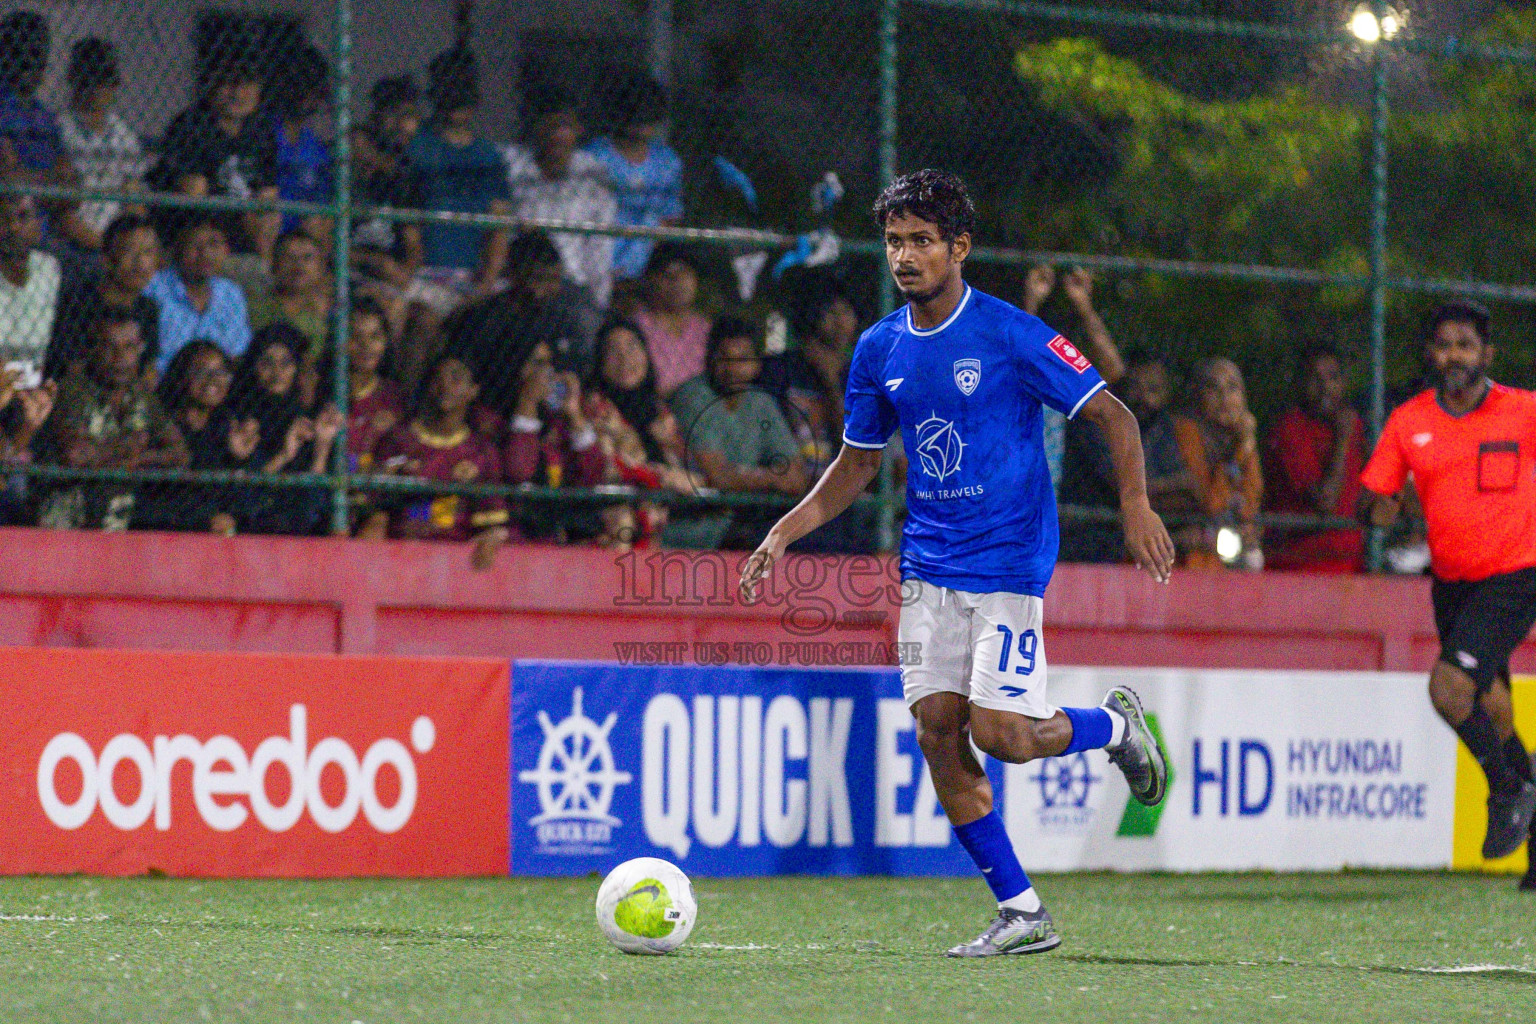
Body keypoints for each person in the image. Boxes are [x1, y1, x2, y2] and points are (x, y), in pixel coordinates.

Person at [738, 169, 1173, 956]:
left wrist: (1135, 505)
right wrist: (785, 530)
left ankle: (1115, 728)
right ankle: (1021, 912)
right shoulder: (879, 349)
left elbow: (1113, 414)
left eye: (922, 241)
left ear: (958, 247)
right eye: (896, 241)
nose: (905, 256)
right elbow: (858, 464)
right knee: (939, 732)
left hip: (1007, 563)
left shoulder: (1011, 334)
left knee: (1003, 734)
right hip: (927, 567)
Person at [1358, 300, 1536, 885]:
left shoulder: (1524, 412)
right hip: (1452, 584)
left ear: (1487, 354)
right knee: (1492, 708)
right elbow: (1373, 499)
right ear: (1431, 354)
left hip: (1516, 575)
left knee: (1448, 689)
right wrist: (1381, 508)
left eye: (1466, 345)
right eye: (1444, 345)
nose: (1454, 356)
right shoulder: (1410, 421)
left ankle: (1507, 789)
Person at [35, 309, 188, 530]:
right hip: (67, 519)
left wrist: (138, 459)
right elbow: (75, 455)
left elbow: (180, 452)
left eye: (130, 347)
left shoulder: (141, 392)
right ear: (93, 349)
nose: (120, 358)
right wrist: (128, 444)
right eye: (110, 347)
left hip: (120, 518)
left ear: (141, 349)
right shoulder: (74, 387)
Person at [668, 318, 809, 550]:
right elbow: (718, 477)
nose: (732, 369)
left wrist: (748, 478)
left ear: (756, 365)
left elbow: (797, 476)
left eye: (742, 360)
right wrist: (772, 478)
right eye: (724, 359)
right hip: (694, 527)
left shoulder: (760, 402)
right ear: (709, 360)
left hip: (745, 524)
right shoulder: (693, 397)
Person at [364, 354, 510, 569]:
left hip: (453, 562)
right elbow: (376, 510)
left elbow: (492, 522)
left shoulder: (481, 452)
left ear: (473, 391)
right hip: (397, 557)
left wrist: (493, 537)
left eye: (456, 379)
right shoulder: (399, 440)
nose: (445, 386)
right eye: (437, 379)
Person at [439, 230, 600, 414]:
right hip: (493, 414)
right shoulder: (484, 318)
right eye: (539, 279)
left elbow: (579, 373)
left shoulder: (566, 316)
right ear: (515, 276)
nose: (549, 288)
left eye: (555, 279)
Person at [1060, 354, 1196, 563]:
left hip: (1133, 534)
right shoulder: (1099, 421)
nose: (1143, 397)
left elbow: (1189, 490)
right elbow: (1118, 483)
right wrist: (1158, 489)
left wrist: (1145, 490)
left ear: (1166, 393)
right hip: (1087, 533)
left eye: (1153, 390)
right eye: (1136, 387)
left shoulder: (1162, 426)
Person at [148, 50, 279, 265]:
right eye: (229, 84)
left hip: (243, 224)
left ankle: (267, 270)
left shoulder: (260, 130)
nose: (237, 93)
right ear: (212, 87)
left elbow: (267, 194)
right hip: (194, 225)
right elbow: (193, 194)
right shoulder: (191, 124)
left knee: (269, 214)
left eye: (246, 85)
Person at [407, 44, 510, 289]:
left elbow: (499, 227)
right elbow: (408, 220)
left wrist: (485, 283)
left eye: (463, 91)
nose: (457, 101)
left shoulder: (488, 155)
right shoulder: (418, 146)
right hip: (427, 272)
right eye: (449, 90)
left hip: (473, 274)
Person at [223, 324, 342, 536]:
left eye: (286, 363)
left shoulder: (309, 418)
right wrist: (283, 456)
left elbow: (316, 505)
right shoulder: (242, 419)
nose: (277, 373)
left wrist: (321, 448)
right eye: (267, 363)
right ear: (254, 367)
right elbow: (246, 501)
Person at [504, 88, 616, 307]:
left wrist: (600, 301)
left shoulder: (593, 175)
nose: (557, 136)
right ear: (536, 128)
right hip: (520, 280)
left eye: (565, 127)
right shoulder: (512, 167)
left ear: (578, 130)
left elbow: (600, 247)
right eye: (551, 126)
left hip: (570, 283)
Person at [1265, 344, 1367, 573]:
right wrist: (1342, 441)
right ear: (1301, 384)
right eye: (1315, 379)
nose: (1325, 388)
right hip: (1300, 566)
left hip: (1348, 566)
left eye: (1332, 378)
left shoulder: (1354, 424)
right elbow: (1324, 502)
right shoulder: (1290, 428)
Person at [1022, 263, 1125, 491]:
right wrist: (1031, 300)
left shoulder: (1077, 388)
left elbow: (1114, 370)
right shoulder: (1028, 387)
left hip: (1077, 491)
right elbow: (1017, 359)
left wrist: (1084, 306)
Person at [0, 11, 89, 249]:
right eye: (21, 52)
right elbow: (9, 182)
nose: (30, 63)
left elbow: (74, 193)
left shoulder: (44, 115)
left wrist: (43, 184)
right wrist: (53, 184)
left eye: (37, 54)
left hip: (47, 236)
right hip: (10, 232)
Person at [583, 73, 683, 282]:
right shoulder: (595, 156)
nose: (642, 124)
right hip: (597, 260)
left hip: (646, 266)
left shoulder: (666, 160)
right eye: (635, 114)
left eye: (649, 115)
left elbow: (670, 216)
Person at [1171, 357, 1263, 570]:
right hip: (1190, 561)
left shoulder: (1242, 437)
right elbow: (1211, 503)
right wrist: (1240, 449)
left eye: (1232, 388)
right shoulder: (1186, 431)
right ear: (1197, 395)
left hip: (1232, 556)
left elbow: (1251, 502)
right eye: (1213, 388)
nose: (1224, 398)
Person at [57, 37, 148, 249]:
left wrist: (126, 244)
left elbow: (134, 202)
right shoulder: (60, 128)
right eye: (90, 77)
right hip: (75, 241)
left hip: (119, 241)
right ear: (74, 78)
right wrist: (105, 247)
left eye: (105, 78)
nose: (98, 87)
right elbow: (64, 216)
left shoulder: (122, 133)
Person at [47, 212, 161, 382]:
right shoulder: (79, 304)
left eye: (148, 252)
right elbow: (70, 370)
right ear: (106, 258)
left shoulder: (148, 308)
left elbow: (148, 373)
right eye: (129, 251)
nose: (141, 262)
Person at [144, 215, 252, 373]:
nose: (205, 253)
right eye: (195, 245)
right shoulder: (154, 288)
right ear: (177, 249)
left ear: (226, 250)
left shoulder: (231, 293)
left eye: (213, 244)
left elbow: (238, 353)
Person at [268, 43, 332, 238]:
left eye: (313, 90)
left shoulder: (316, 148)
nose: (306, 97)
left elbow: (322, 201)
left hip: (303, 237)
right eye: (299, 87)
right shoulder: (262, 133)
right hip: (269, 232)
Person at [634, 243, 711, 397]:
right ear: (653, 279)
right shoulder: (638, 327)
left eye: (685, 273)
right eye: (668, 274)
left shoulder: (704, 328)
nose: (678, 281)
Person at [0, 194, 62, 383]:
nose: (13, 227)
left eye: (23, 217)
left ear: (39, 224)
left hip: (41, 381)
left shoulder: (50, 268)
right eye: (3, 219)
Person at [248, 228, 332, 366]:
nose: (298, 265)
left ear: (321, 266)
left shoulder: (336, 312)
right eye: (290, 257)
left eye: (307, 258)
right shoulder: (255, 308)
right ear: (274, 265)